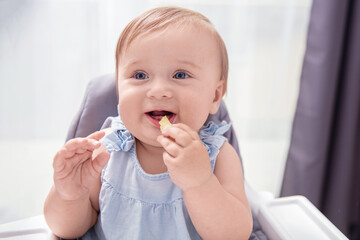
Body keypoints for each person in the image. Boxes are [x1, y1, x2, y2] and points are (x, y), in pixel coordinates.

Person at [44, 6, 253, 240]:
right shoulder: (107, 149)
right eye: (140, 75)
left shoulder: (218, 155)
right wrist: (69, 195)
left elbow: (235, 235)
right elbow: (66, 230)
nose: (158, 91)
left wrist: (201, 182)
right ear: (119, 90)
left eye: (180, 75)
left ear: (215, 97)